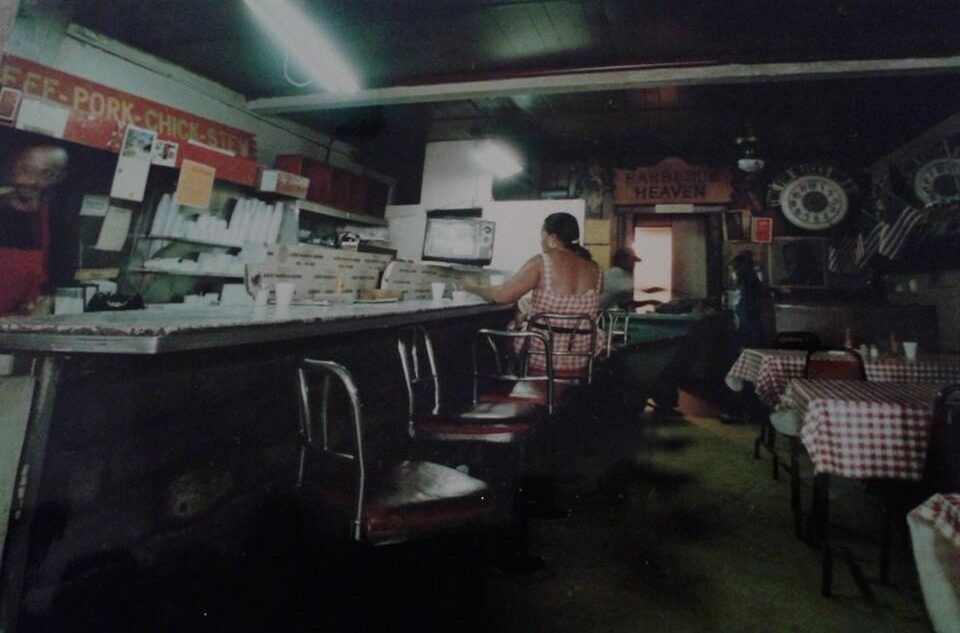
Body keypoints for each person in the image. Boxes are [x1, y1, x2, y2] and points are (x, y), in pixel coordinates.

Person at [463, 211, 601, 376]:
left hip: (541, 360)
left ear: (551, 238)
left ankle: (505, 388)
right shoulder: (595, 269)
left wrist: (473, 287)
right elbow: (573, 311)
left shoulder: (542, 262)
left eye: (542, 236)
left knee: (491, 337)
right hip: (580, 361)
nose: (541, 242)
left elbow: (501, 295)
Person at [0, 144, 69, 316]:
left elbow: (56, 283)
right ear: (14, 167)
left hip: (16, 328)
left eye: (45, 173)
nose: (29, 180)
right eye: (25, 169)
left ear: (58, 178)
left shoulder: (56, 223)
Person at [730, 250, 766, 348]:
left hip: (748, 319)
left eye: (736, 268)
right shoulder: (748, 279)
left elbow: (745, 303)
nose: (734, 271)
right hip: (747, 318)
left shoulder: (747, 281)